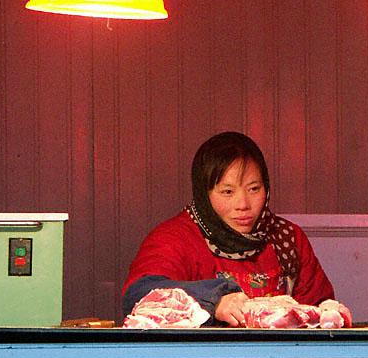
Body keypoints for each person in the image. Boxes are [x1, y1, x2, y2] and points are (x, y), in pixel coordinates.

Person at [122, 131, 334, 326]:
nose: (243, 204)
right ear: (204, 194)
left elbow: (317, 313)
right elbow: (138, 295)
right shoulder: (175, 238)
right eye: (227, 192)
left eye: (254, 189)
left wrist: (329, 313)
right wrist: (213, 299)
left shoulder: (287, 240)